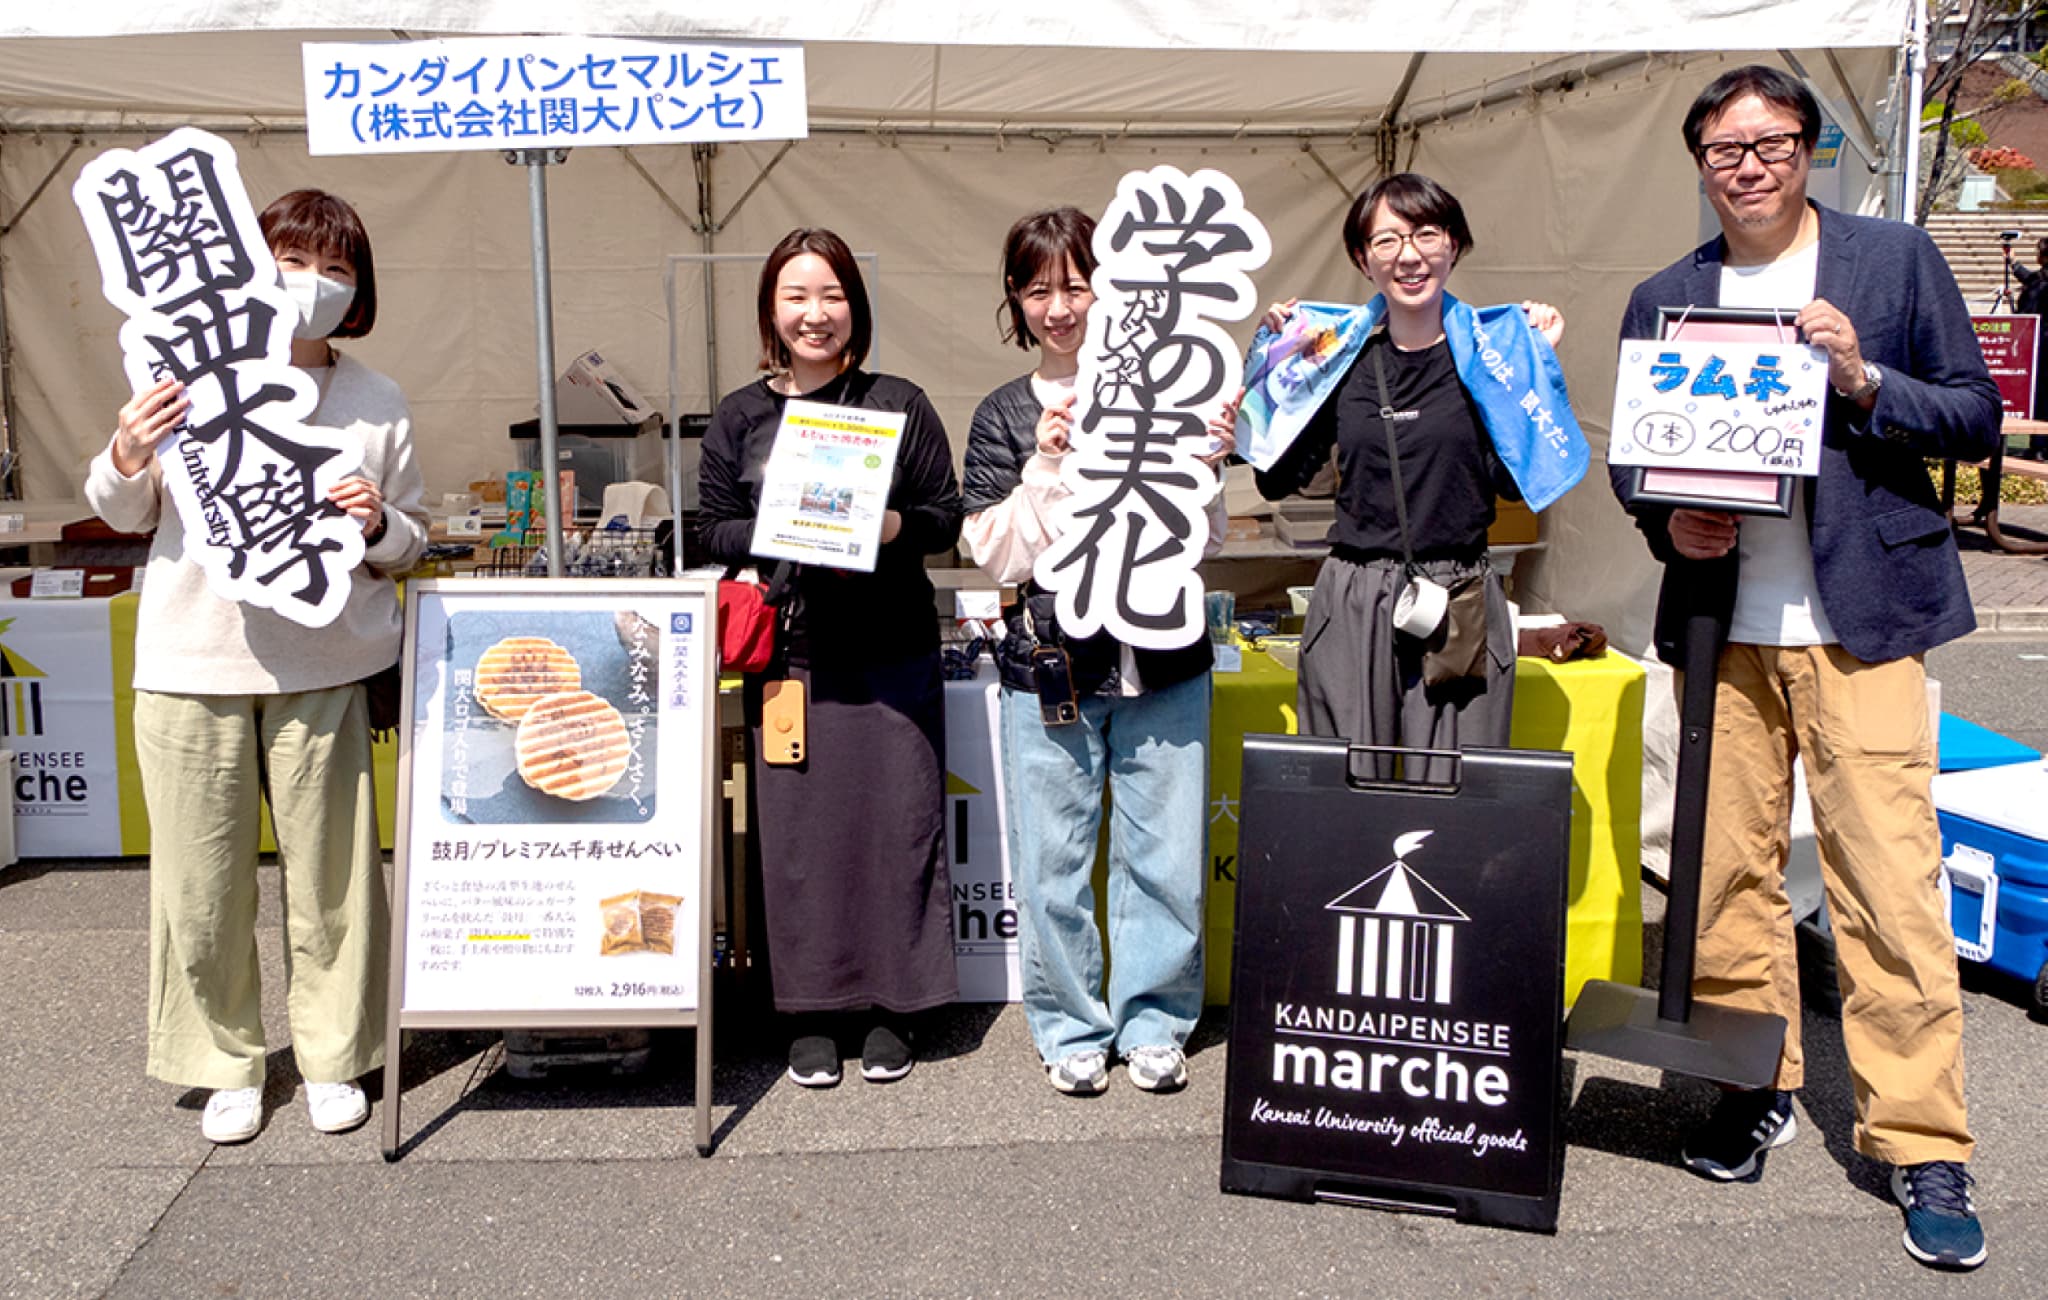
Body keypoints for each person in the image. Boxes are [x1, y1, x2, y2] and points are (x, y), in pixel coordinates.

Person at [1610, 65, 1998, 1271]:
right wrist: (1665, 520)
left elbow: (1973, 414)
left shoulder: (1890, 262)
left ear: (1807, 148)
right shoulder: (1666, 295)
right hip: (1719, 627)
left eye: (1770, 142)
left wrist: (1863, 379)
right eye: (1723, 150)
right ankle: (1750, 1082)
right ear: (1699, 165)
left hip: (1860, 616)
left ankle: (1920, 1139)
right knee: (1724, 879)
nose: (1748, 166)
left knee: (1887, 881)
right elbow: (1634, 459)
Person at [84, 189, 427, 1144]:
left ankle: (334, 1055)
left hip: (326, 664)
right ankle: (223, 1061)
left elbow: (410, 538)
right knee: (198, 886)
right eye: (290, 262)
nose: (312, 284)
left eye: (335, 269)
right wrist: (126, 449)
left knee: (336, 882)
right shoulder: (188, 372)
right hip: (193, 661)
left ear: (358, 290)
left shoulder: (377, 398)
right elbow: (122, 510)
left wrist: (378, 524)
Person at [961, 207, 1232, 1096]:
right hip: (1052, 664)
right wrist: (1044, 465)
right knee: (1053, 860)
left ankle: (1155, 1019)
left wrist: (1209, 464)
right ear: (1015, 298)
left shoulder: (1166, 392)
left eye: (1077, 286)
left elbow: (1205, 540)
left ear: (1112, 290)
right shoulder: (1003, 412)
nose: (1060, 308)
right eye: (1040, 289)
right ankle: (1070, 1024)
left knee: (1167, 855)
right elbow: (997, 555)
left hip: (1164, 657)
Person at [696, 227, 963, 1087]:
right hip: (793, 659)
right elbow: (705, 529)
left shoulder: (898, 401)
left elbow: (945, 516)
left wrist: (884, 524)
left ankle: (895, 1003)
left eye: (833, 295)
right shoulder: (740, 414)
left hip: (892, 652)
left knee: (898, 826)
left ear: (856, 306)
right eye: (797, 297)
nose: (816, 314)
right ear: (770, 311)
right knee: (800, 840)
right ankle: (810, 1007)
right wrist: (785, 520)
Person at [1252, 173, 1565, 760]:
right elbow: (1275, 478)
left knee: (1455, 780)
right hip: (1355, 591)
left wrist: (1536, 368)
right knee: (1345, 779)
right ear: (1362, 259)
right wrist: (1276, 369)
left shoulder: (1491, 357)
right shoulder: (1340, 361)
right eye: (1387, 240)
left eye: (1426, 234)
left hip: (1459, 592)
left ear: (1454, 244)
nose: (1409, 255)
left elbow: (1516, 484)